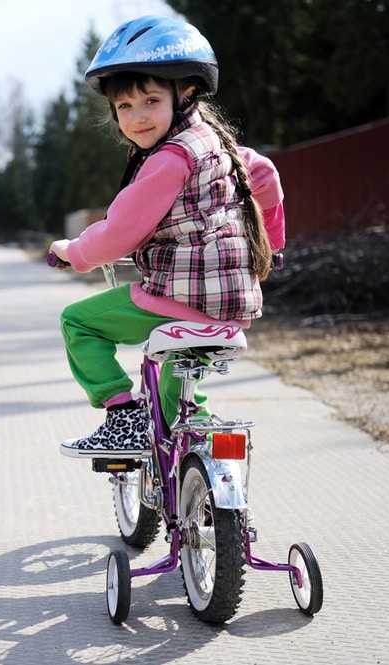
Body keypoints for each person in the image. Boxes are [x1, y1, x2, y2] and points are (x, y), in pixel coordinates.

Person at [49, 15, 286, 458]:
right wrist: (271, 247)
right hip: (233, 307)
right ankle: (200, 460)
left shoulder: (167, 160)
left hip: (178, 299)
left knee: (77, 321)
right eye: (124, 107)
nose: (137, 118)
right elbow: (267, 178)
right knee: (178, 403)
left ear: (186, 93)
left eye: (150, 101)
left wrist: (74, 252)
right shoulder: (222, 144)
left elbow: (119, 234)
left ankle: (122, 419)